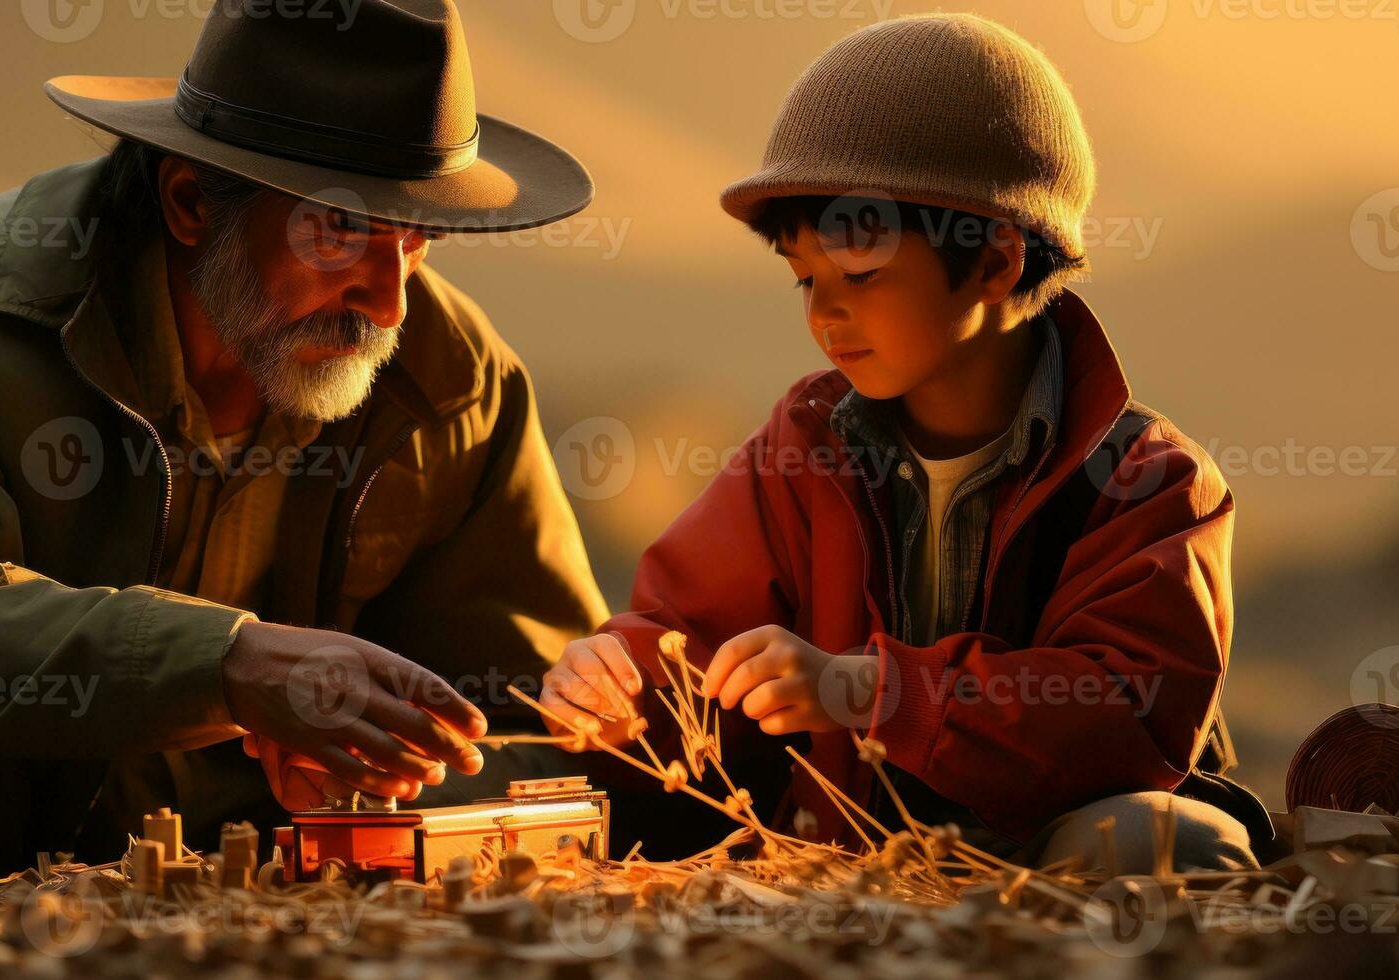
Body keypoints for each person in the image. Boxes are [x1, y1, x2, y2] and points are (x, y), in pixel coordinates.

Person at [0, 0, 608, 869]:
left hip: (228, 845)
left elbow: (531, 714)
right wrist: (227, 666)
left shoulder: (449, 379)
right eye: (339, 233)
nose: (389, 300)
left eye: (416, 240)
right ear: (190, 204)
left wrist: (380, 766)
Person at [538, 13, 1268, 873]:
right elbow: (685, 631)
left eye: (858, 275)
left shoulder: (1149, 480)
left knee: (1166, 841)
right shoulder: (802, 446)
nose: (822, 313)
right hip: (840, 857)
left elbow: (1123, 712)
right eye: (803, 278)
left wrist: (870, 690)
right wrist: (617, 682)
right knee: (518, 791)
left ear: (996, 262)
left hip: (1054, 845)